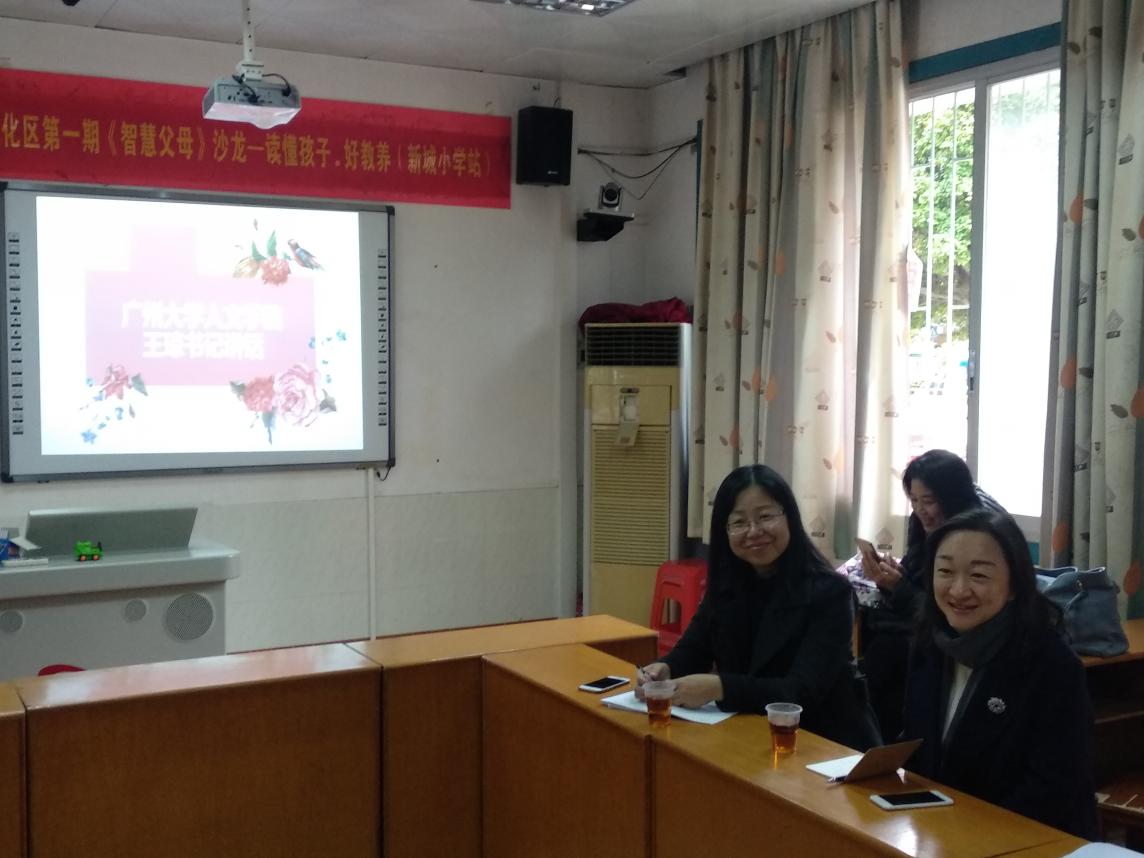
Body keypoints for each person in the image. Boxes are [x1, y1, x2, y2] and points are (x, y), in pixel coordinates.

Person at [636, 464, 880, 751]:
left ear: (789, 517)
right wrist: (664, 670)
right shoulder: (726, 586)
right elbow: (695, 648)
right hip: (753, 736)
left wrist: (719, 687)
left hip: (826, 745)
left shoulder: (830, 592)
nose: (753, 531)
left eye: (765, 517)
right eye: (739, 522)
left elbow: (801, 692)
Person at [900, 507, 1098, 839]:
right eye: (945, 571)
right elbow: (917, 749)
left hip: (1030, 840)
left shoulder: (1053, 666)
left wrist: (966, 835)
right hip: (941, 832)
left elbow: (1052, 790)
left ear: (1015, 585)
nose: (958, 590)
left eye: (979, 576)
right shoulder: (929, 644)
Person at [859, 449, 1003, 741]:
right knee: (875, 640)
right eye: (913, 500)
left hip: (957, 632)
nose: (920, 510)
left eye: (929, 501)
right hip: (917, 624)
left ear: (952, 497)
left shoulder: (979, 532)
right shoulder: (923, 524)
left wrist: (898, 587)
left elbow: (953, 605)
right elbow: (919, 581)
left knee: (888, 653)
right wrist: (893, 577)